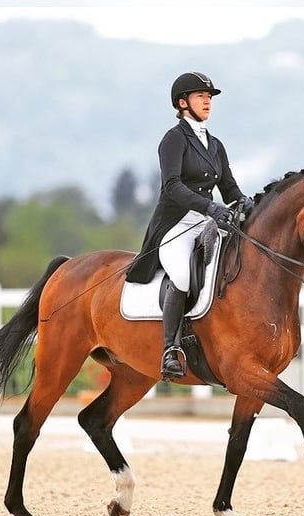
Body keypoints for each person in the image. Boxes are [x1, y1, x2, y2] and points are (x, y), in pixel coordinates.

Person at [126, 71, 253, 380]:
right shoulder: (174, 139)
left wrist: (247, 203)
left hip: (206, 224)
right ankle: (170, 349)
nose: (207, 100)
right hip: (175, 224)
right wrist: (210, 207)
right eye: (200, 96)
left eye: (209, 97)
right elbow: (172, 186)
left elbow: (230, 189)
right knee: (182, 275)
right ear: (183, 103)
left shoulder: (215, 145)